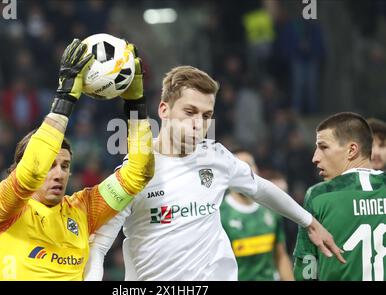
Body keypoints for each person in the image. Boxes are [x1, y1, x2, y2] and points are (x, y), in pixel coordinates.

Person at [84, 66, 344, 281]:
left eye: (206, 115)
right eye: (190, 112)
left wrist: (308, 222)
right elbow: (99, 246)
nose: (199, 123)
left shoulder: (216, 156)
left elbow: (260, 188)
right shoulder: (134, 173)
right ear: (164, 110)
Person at [0, 39, 154, 280]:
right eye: (50, 165)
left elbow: (138, 173)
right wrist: (65, 97)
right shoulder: (1, 211)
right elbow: (31, 173)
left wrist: (136, 104)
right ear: (16, 168)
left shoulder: (82, 211)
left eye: (64, 165)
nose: (59, 173)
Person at [294, 112, 386, 281]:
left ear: (351, 150)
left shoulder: (319, 196)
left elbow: (306, 270)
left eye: (323, 147)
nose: (315, 158)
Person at [220, 148, 294, 281]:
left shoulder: (270, 209)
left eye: (248, 165)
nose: (243, 172)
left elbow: (281, 256)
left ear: (257, 170)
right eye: (237, 166)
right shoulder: (220, 215)